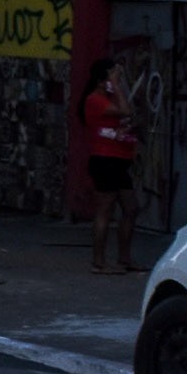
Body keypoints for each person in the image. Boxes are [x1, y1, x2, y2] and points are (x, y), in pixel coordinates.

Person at [79, 57, 142, 275]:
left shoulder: (111, 98)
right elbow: (125, 110)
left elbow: (128, 115)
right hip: (104, 159)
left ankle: (124, 258)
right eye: (114, 75)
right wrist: (115, 84)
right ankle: (99, 260)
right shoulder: (95, 100)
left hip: (119, 159)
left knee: (131, 208)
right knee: (105, 209)